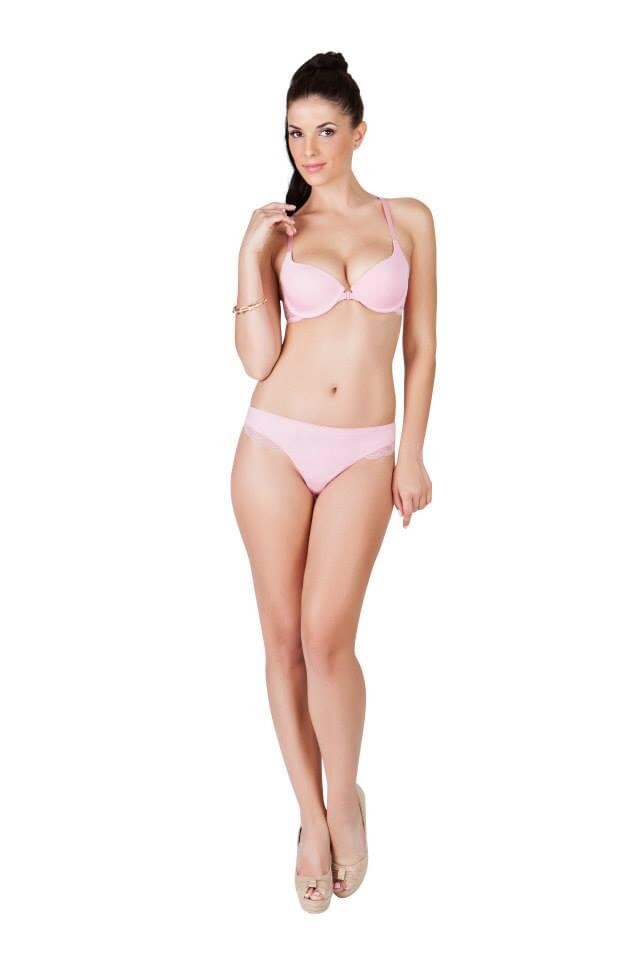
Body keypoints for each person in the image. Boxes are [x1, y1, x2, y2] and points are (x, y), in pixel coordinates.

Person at [230, 50, 436, 912]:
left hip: (364, 451)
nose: (307, 149)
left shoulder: (408, 220)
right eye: (294, 134)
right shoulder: (281, 232)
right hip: (273, 446)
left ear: (358, 131)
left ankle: (345, 796)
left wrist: (412, 453)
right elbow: (258, 360)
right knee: (282, 642)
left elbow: (422, 347)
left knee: (326, 639)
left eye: (323, 131)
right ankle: (311, 821)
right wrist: (250, 255)